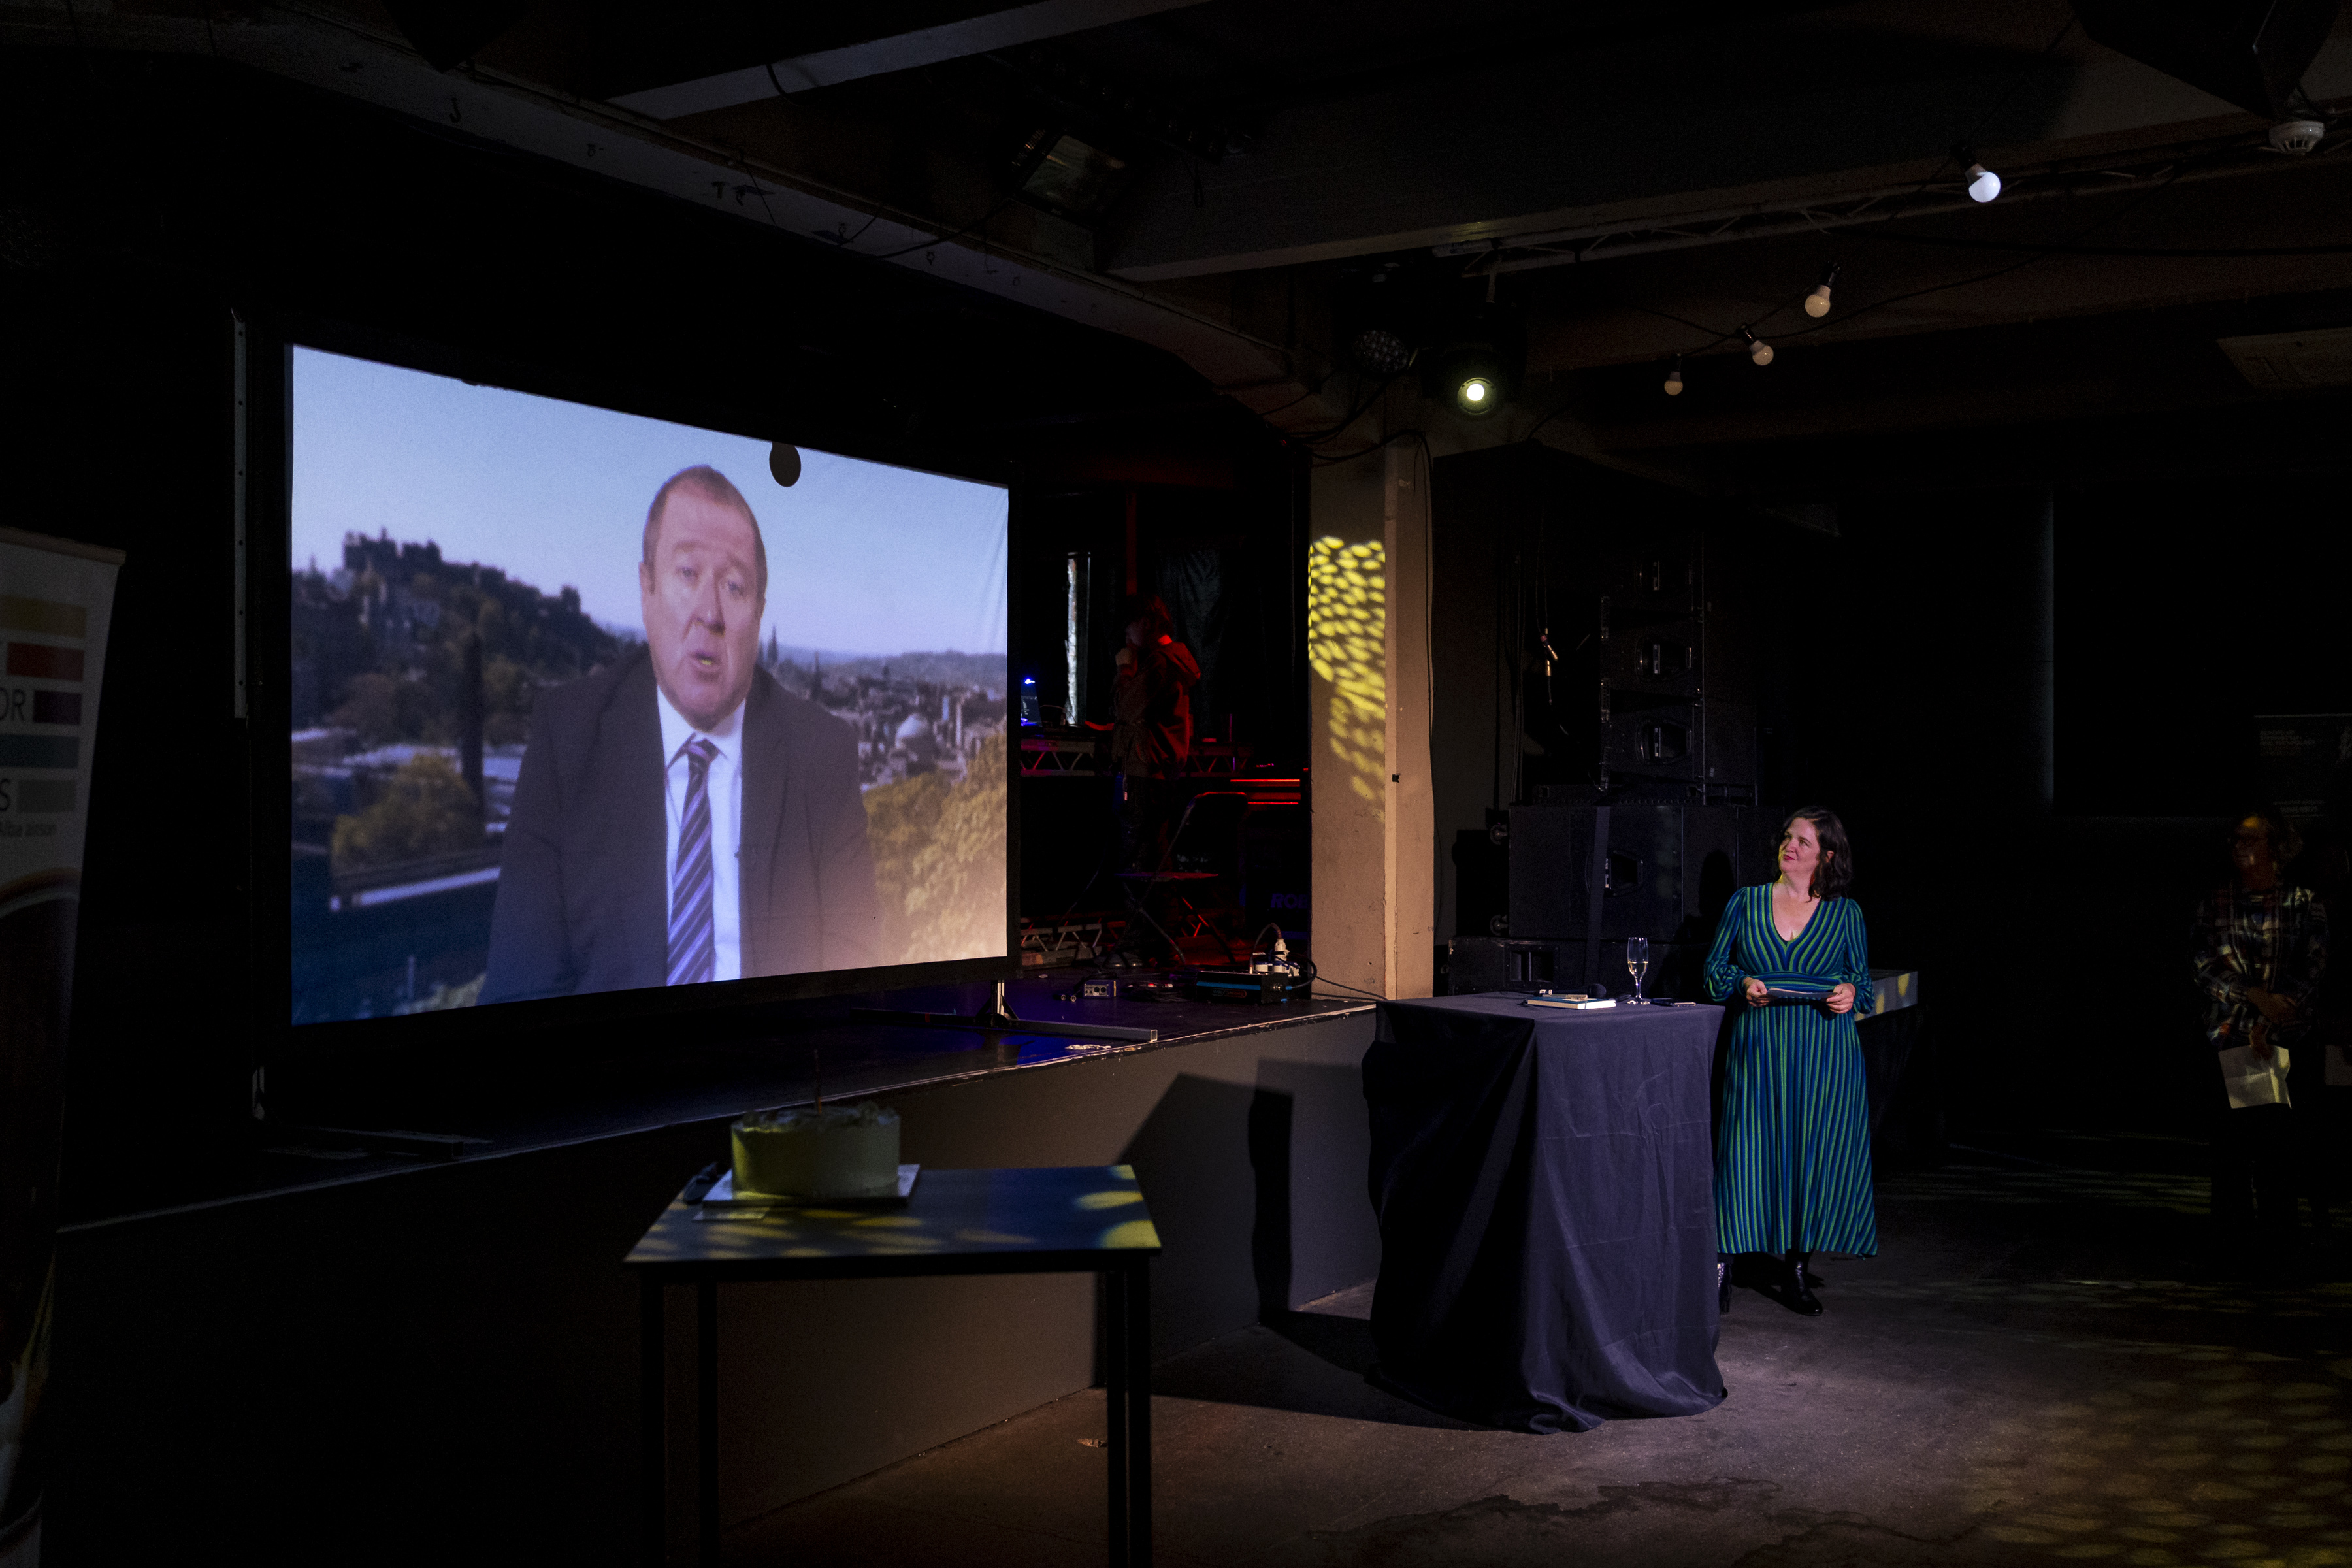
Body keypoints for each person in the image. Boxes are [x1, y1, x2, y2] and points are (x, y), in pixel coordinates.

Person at [482, 466, 881, 1004]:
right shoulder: (567, 738)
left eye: (735, 587)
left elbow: (856, 987)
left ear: (758, 613)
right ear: (646, 588)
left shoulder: (823, 754)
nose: (710, 612)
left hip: (778, 1073)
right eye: (688, 573)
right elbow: (521, 992)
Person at [1703, 808, 1876, 1316]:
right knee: (1745, 1153)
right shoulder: (1747, 903)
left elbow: (1862, 985)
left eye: (1803, 840)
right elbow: (1715, 969)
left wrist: (1848, 992)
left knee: (1810, 1154)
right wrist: (1742, 983)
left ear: (1827, 855)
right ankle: (1721, 1264)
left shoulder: (1846, 914)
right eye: (1787, 837)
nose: (1790, 846)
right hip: (1758, 1045)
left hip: (1823, 1053)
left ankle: (1796, 1268)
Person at [2194, 807, 2328, 1267]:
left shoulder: (2304, 902)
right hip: (2231, 1038)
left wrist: (2268, 1023)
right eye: (2236, 839)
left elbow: (2310, 971)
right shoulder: (2217, 901)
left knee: (2279, 1154)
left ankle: (2278, 1250)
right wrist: (2253, 1000)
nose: (2240, 847)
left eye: (2251, 839)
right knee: (2231, 1156)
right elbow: (2205, 965)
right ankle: (2231, 1250)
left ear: (2277, 847)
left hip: (2282, 1042)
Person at [1110, 595, 1200, 873]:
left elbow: (1123, 708)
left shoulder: (1161, 663)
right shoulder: (1174, 661)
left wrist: (1125, 669)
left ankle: (1141, 917)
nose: (1127, 636)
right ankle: (1160, 916)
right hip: (1160, 773)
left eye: (1130, 628)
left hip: (1142, 774)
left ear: (1146, 623)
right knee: (1156, 858)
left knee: (1136, 861)